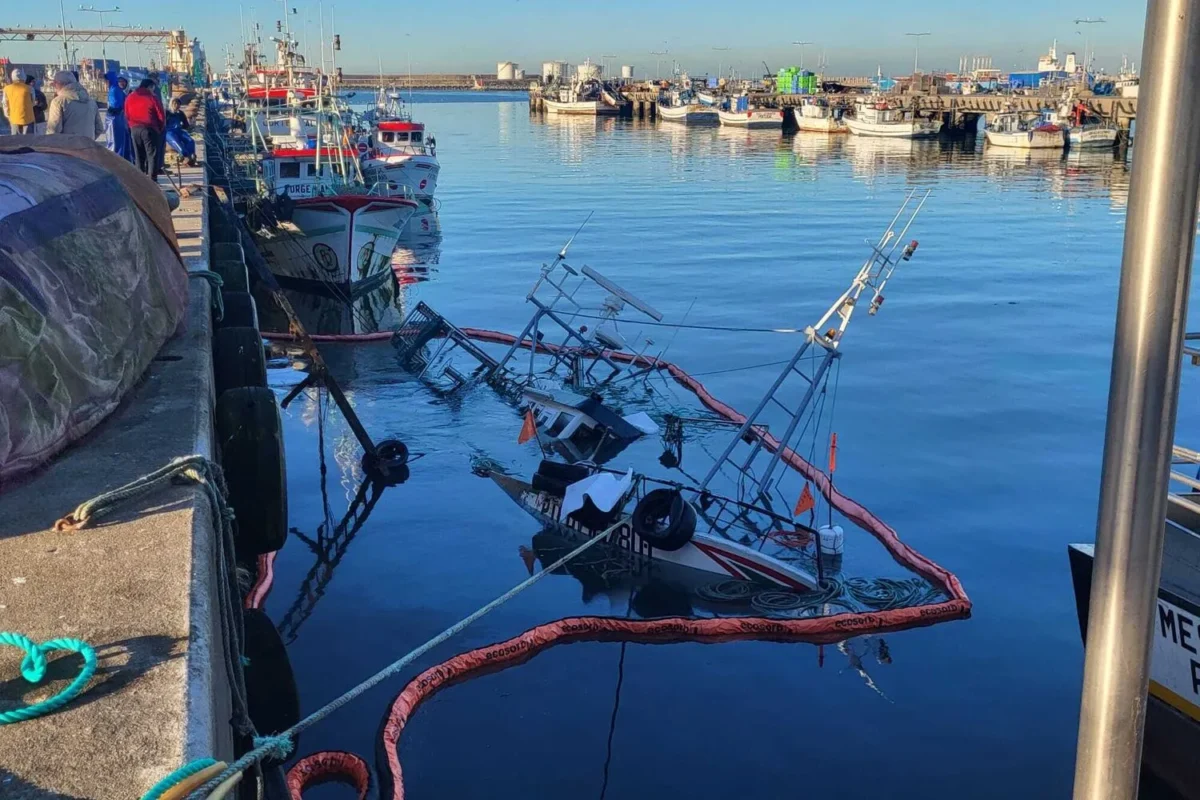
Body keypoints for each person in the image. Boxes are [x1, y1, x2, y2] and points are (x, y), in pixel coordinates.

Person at [125, 78, 165, 179]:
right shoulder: (152, 97)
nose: (153, 91)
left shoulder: (130, 97)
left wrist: (131, 126)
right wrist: (159, 129)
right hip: (149, 128)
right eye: (153, 88)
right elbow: (161, 115)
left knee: (138, 155)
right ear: (149, 87)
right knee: (152, 155)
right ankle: (152, 180)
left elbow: (126, 114)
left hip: (134, 129)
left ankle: (140, 181)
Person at [45, 71, 103, 138]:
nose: (54, 86)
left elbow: (53, 130)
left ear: (59, 83)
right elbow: (99, 128)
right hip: (88, 146)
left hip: (68, 146)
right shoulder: (91, 101)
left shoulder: (58, 102)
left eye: (54, 83)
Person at [103, 70, 134, 161]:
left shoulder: (118, 90)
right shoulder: (115, 88)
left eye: (124, 82)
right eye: (120, 81)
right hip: (115, 118)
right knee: (117, 142)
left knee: (119, 142)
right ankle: (117, 162)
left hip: (118, 118)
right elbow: (117, 105)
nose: (122, 83)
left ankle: (119, 161)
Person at [164, 97, 197, 167]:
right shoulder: (166, 113)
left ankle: (192, 155)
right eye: (175, 103)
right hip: (169, 132)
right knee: (176, 141)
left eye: (178, 104)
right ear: (171, 104)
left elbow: (186, 126)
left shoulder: (180, 113)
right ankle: (185, 156)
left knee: (190, 140)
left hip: (179, 130)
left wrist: (191, 125)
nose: (176, 105)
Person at [2, 68, 35, 135]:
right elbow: (33, 102)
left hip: (14, 118)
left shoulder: (7, 89)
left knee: (15, 141)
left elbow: (5, 104)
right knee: (28, 141)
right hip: (28, 118)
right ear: (23, 77)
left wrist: (8, 115)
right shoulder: (30, 88)